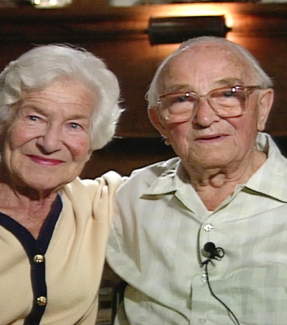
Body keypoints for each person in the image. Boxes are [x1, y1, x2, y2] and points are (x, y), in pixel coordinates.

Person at [107, 36, 287, 325]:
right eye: (182, 100)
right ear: (159, 121)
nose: (204, 118)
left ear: (262, 108)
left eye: (228, 94)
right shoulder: (127, 197)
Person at [0, 44, 123, 325]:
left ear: (90, 146)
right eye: (35, 118)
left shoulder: (101, 202)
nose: (49, 143)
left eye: (74, 125)